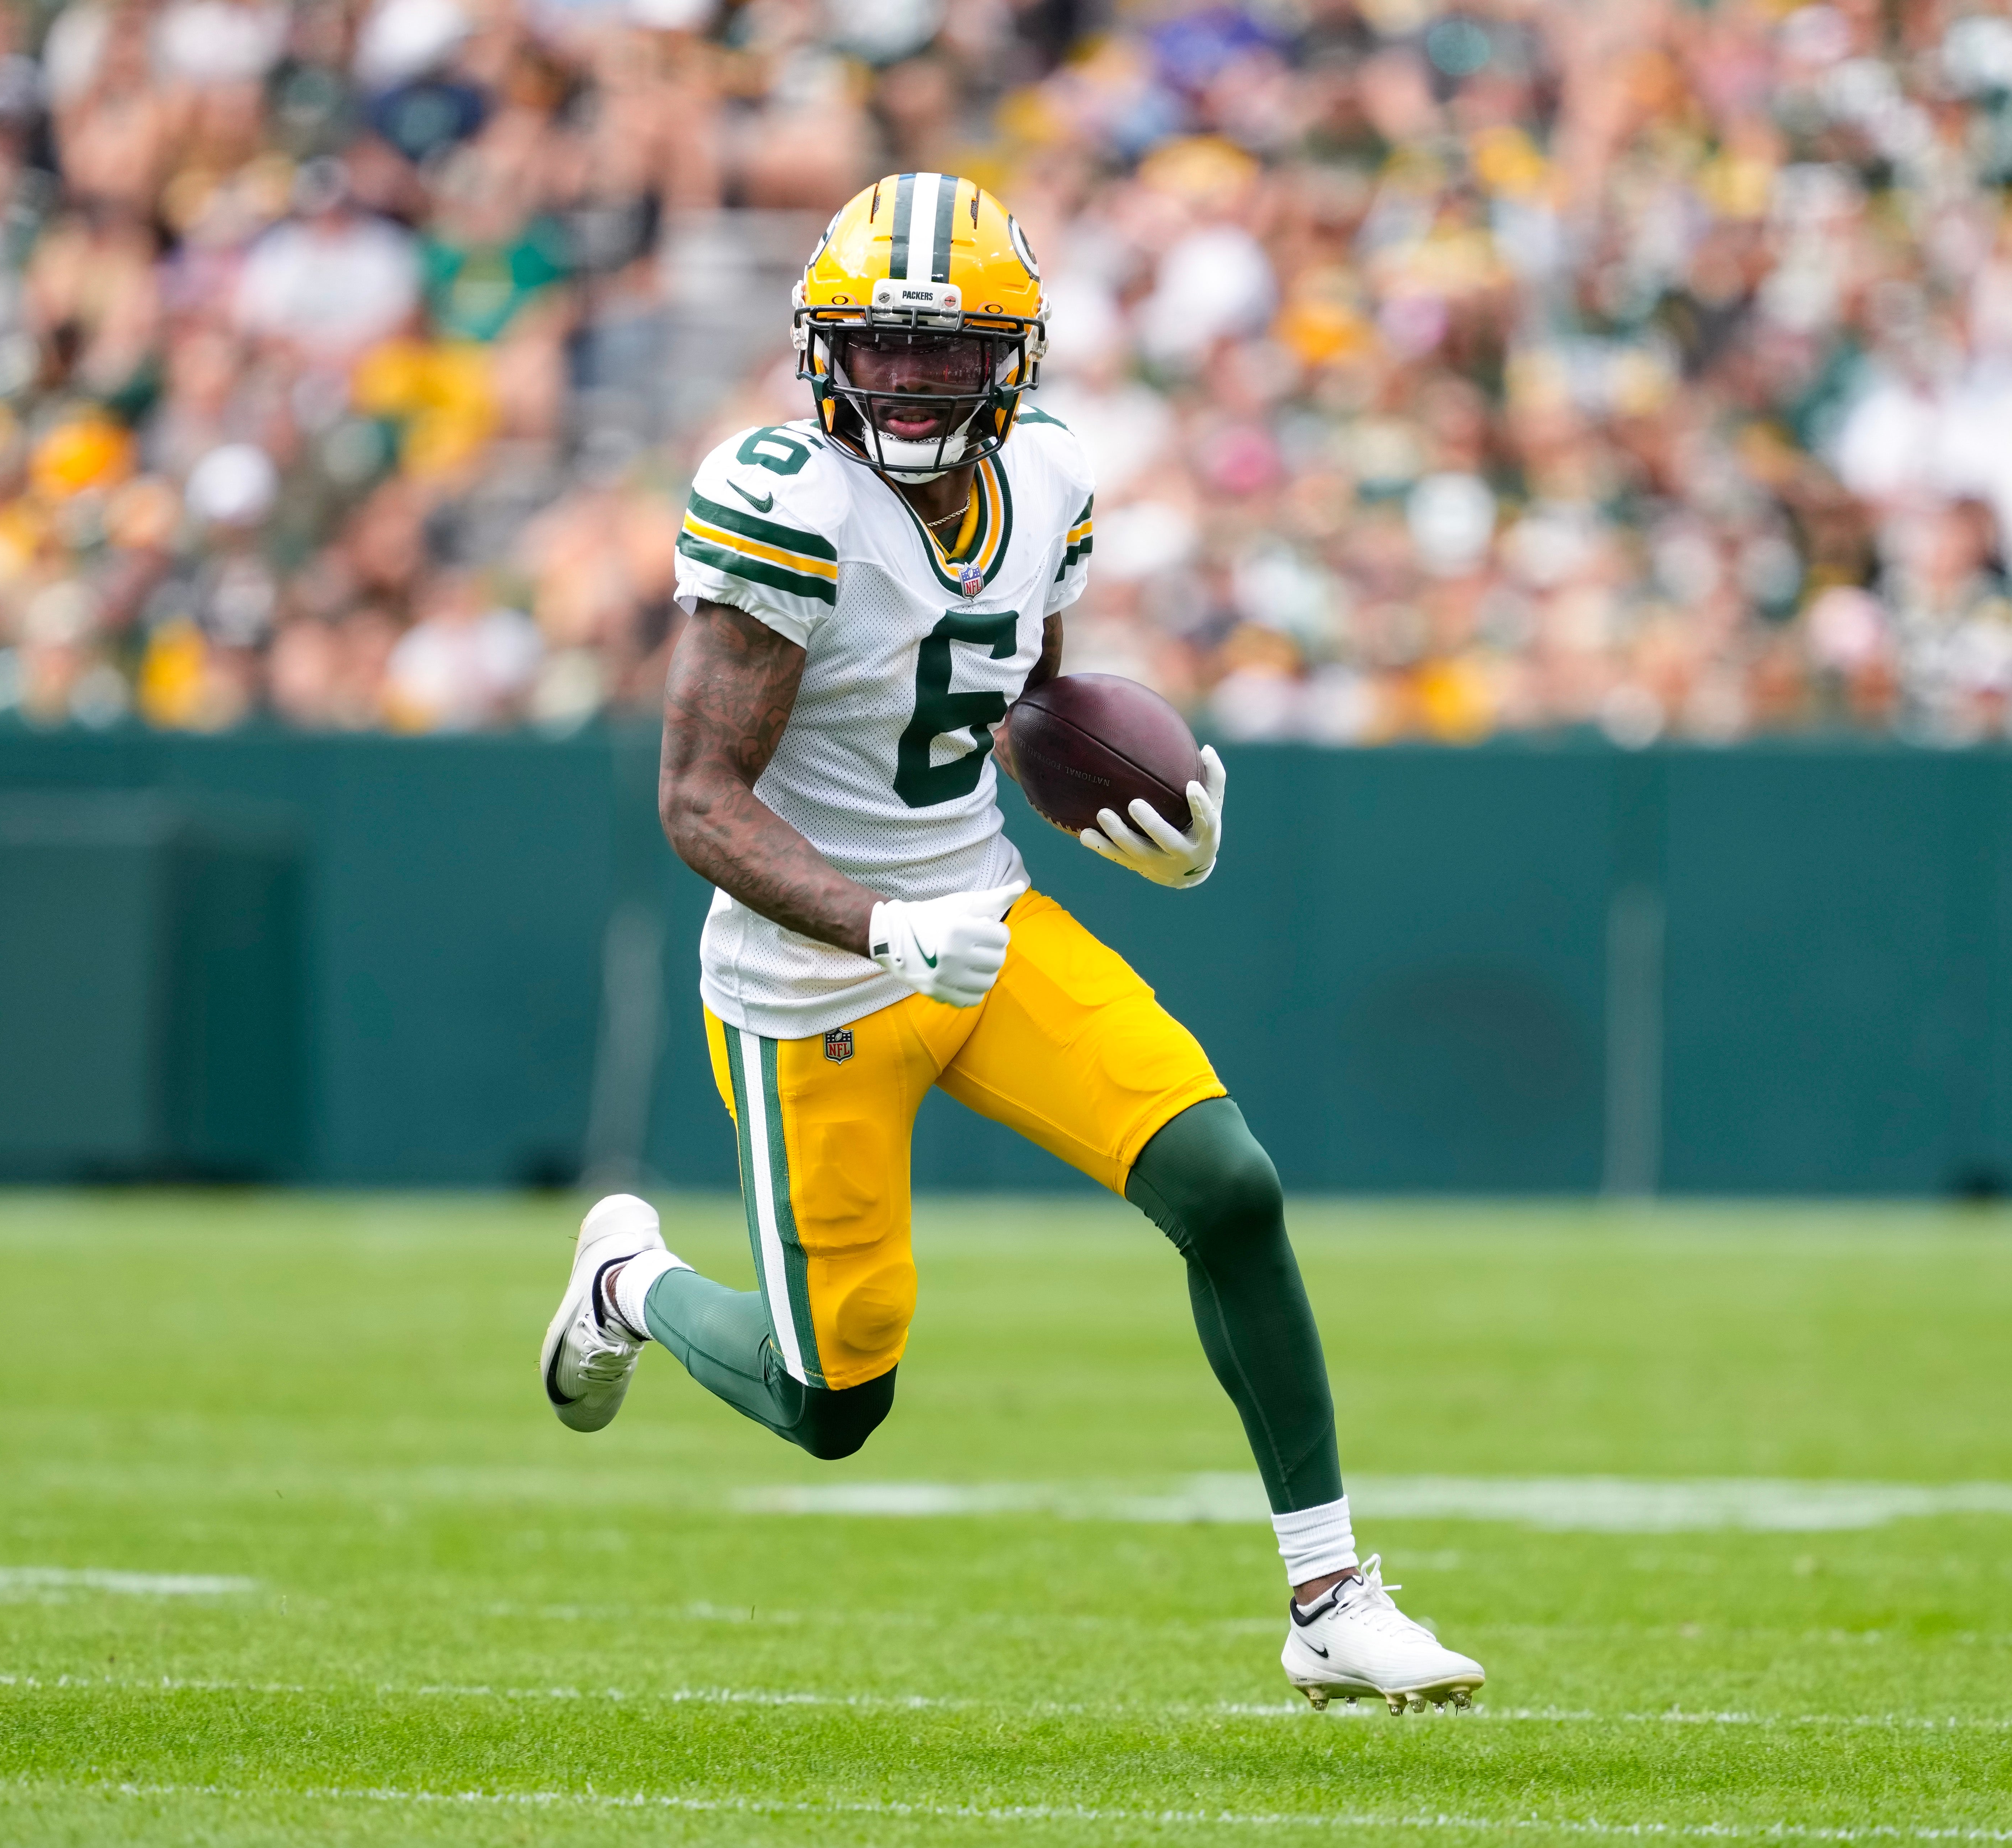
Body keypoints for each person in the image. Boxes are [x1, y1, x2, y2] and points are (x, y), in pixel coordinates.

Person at [539, 173, 1485, 1714]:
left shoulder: (1047, 481)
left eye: (947, 348)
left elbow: (1022, 709)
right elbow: (697, 802)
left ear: (1014, 358)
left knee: (1228, 1186)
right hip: (808, 982)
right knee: (833, 1398)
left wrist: (1146, 816)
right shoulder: (788, 504)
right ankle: (631, 1283)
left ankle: (1330, 1593)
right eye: (881, 347)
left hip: (979, 922)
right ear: (823, 351)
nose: (909, 380)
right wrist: (878, 923)